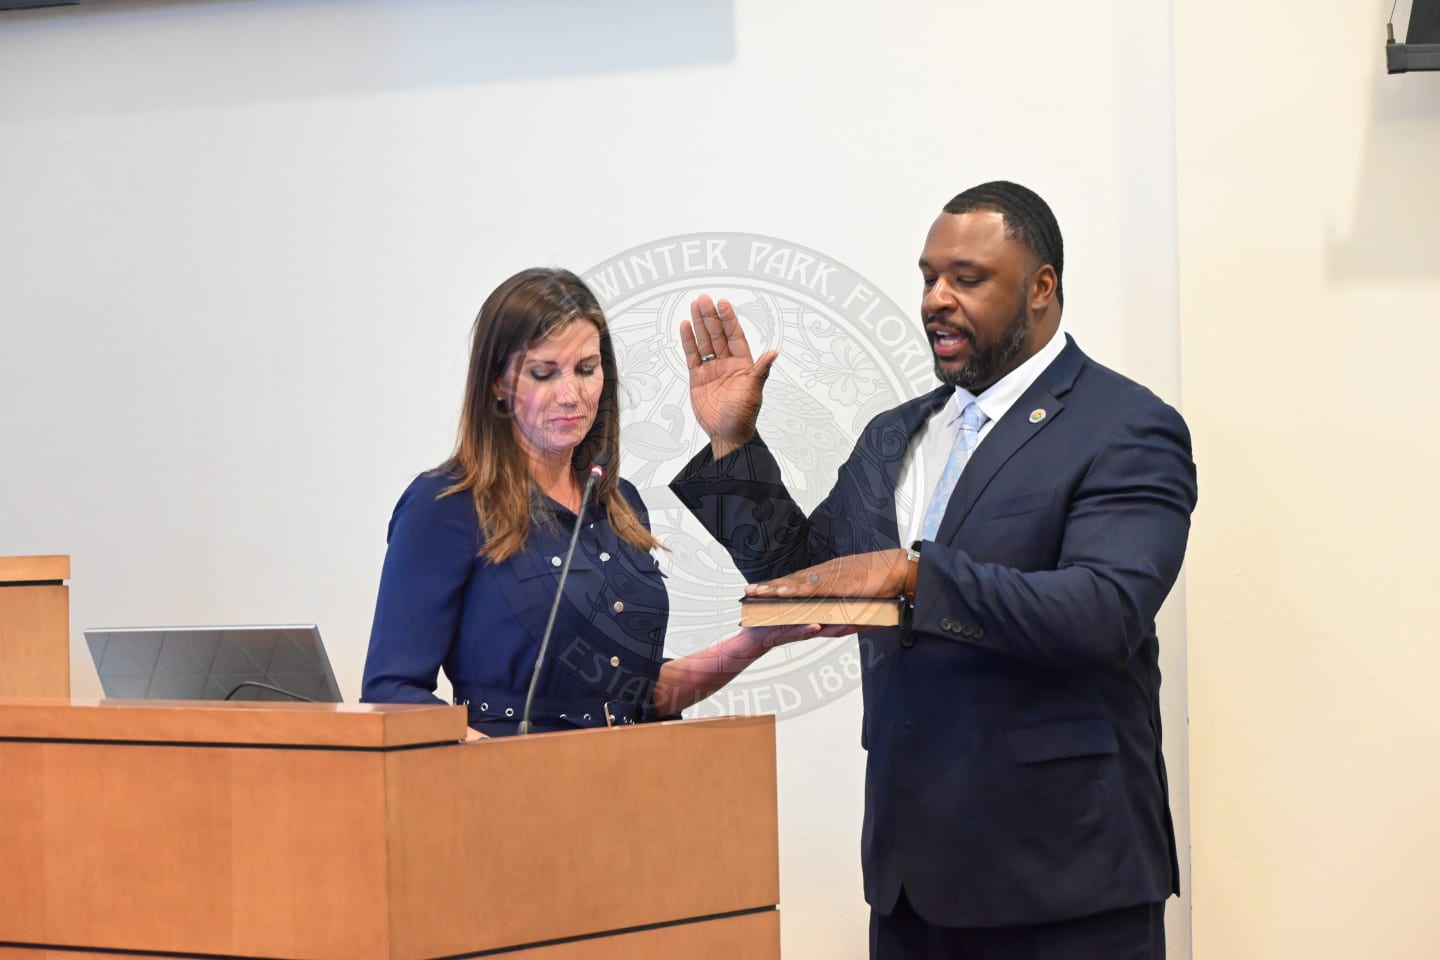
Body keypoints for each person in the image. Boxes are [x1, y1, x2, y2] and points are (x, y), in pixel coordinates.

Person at [670, 182, 1197, 959]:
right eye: (928, 278)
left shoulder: (1125, 426)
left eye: (967, 278)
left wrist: (916, 576)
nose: (936, 299)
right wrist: (732, 444)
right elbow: (804, 575)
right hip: (912, 881)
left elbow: (1104, 611)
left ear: (1041, 288)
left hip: (1065, 882)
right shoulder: (896, 435)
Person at [361, 266, 828, 737]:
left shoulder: (617, 504)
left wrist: (754, 641)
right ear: (496, 384)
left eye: (587, 369)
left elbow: (644, 695)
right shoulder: (444, 505)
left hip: (629, 782)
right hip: (507, 789)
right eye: (544, 373)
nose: (571, 395)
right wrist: (490, 765)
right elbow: (392, 692)